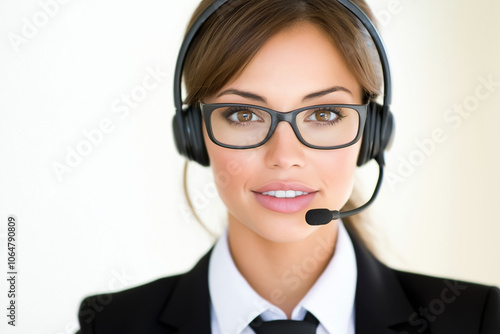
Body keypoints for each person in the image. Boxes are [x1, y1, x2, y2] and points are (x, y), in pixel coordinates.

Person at [76, 0, 500, 333]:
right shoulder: (110, 325)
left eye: (325, 114)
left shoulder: (480, 320)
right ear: (193, 133)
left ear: (372, 134)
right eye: (243, 115)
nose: (284, 155)